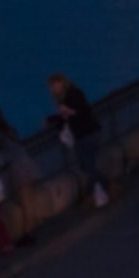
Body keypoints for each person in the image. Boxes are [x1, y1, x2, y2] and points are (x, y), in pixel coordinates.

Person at [0, 109, 40, 244]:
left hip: (16, 168)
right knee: (27, 201)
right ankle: (30, 229)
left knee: (25, 202)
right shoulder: (10, 130)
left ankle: (28, 233)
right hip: (26, 162)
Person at [45, 74, 105, 207]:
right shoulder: (69, 96)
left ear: (61, 82)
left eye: (54, 84)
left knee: (87, 165)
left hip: (87, 133)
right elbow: (65, 117)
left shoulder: (72, 94)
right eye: (51, 86)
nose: (52, 89)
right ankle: (102, 187)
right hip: (85, 133)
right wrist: (52, 119)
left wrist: (68, 113)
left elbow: (81, 111)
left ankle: (100, 192)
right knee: (87, 165)